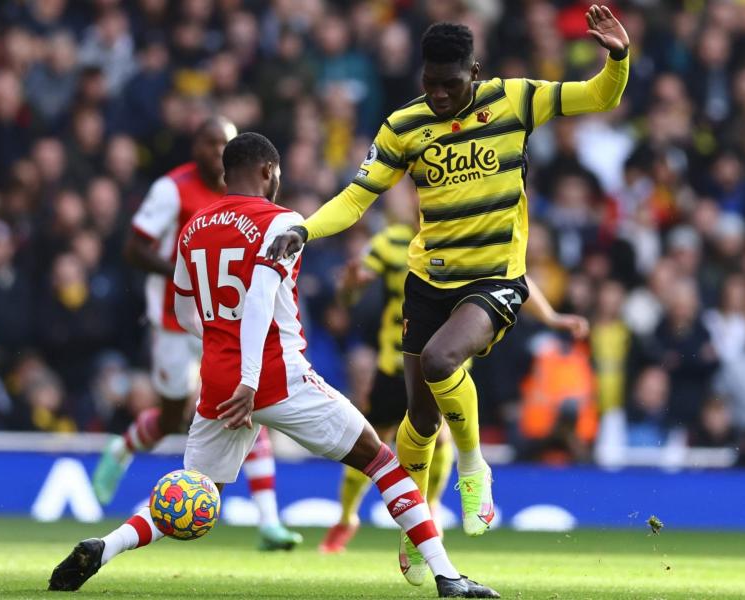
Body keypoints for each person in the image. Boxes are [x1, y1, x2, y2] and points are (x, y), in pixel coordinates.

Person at [49, 133, 499, 598]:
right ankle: (448, 576)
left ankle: (105, 547)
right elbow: (261, 296)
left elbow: (184, 311)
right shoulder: (282, 222)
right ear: (269, 172)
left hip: (219, 380)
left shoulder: (193, 228)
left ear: (226, 173)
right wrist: (250, 376)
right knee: (381, 461)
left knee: (197, 492)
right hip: (275, 374)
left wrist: (224, 351)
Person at [267, 3, 625, 563]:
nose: (437, 95)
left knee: (440, 362)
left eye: (449, 85)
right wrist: (306, 230)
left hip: (495, 279)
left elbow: (599, 95)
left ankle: (474, 468)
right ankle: (417, 526)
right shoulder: (404, 126)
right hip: (428, 280)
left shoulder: (515, 99)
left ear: (474, 74)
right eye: (429, 84)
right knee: (418, 419)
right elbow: (359, 197)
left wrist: (618, 59)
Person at [91, 116, 302, 551]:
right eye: (207, 143)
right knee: (172, 419)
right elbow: (134, 249)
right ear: (198, 149)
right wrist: (186, 274)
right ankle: (122, 448)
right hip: (177, 317)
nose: (213, 151)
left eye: (221, 144)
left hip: (231, 321)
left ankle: (268, 521)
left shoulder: (247, 200)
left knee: (248, 398)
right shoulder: (173, 189)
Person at [319, 206, 456, 556]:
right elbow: (350, 294)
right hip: (393, 363)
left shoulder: (458, 242)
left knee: (439, 439)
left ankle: (433, 506)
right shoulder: (391, 240)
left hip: (440, 364)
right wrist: (350, 286)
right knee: (370, 443)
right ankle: (347, 517)